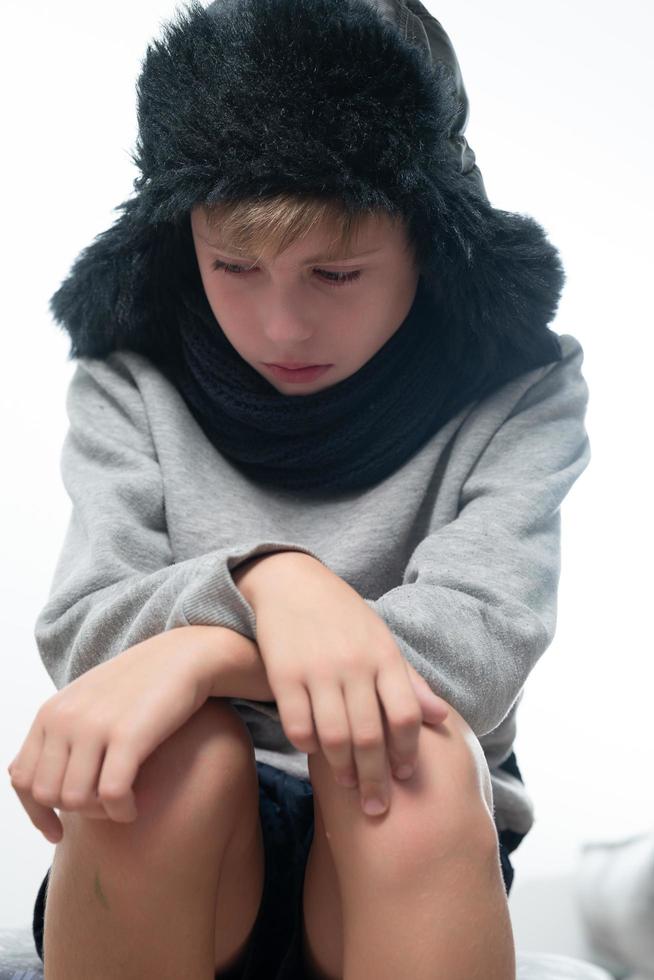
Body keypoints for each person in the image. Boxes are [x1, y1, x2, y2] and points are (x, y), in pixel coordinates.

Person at [7, 0, 591, 977]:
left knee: (411, 763)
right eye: (234, 265)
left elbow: (478, 648)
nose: (280, 327)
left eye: (335, 271)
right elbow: (84, 631)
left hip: (409, 855)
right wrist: (277, 584)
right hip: (181, 861)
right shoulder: (130, 374)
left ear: (425, 236)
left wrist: (195, 652)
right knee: (166, 769)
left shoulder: (520, 387)